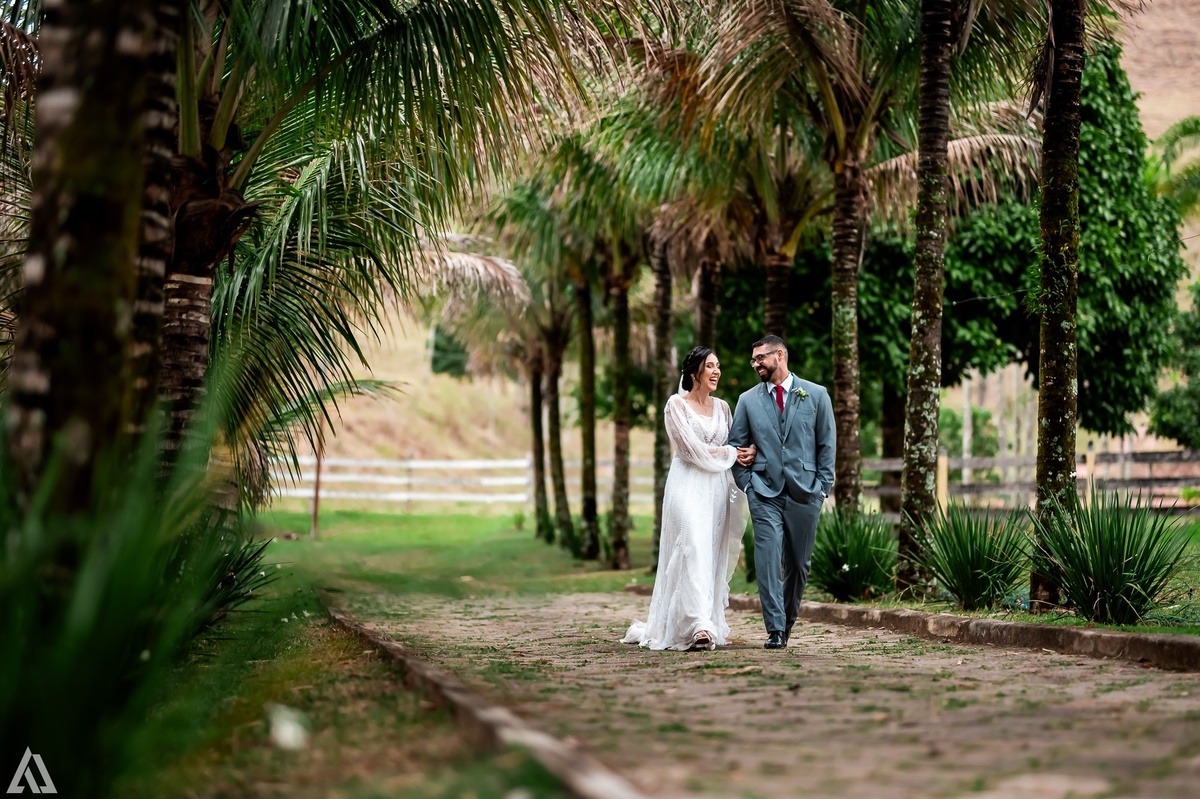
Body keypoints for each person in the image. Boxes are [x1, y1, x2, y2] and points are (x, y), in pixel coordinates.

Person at [621, 346, 752, 652]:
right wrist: (733, 453)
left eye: (718, 366)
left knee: (709, 551)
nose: (717, 371)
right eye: (710, 366)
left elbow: (733, 441)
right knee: (691, 544)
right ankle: (698, 625)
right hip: (688, 484)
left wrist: (746, 452)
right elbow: (688, 450)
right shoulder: (675, 406)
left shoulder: (723, 408)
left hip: (717, 489)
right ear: (695, 372)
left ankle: (702, 617)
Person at [729, 335, 835, 650]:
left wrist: (822, 489)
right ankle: (774, 629)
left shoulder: (817, 395)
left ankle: (786, 624)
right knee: (767, 558)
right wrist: (748, 484)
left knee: (799, 565)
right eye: (753, 360)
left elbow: (826, 445)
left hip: (806, 492)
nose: (756, 364)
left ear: (780, 354)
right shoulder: (747, 400)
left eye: (761, 358)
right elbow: (736, 447)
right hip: (764, 492)